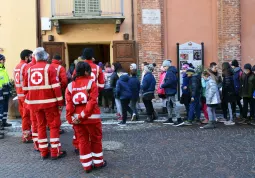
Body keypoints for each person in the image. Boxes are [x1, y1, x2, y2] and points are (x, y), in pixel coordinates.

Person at [23, 47, 66, 160]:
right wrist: (60, 102)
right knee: (53, 126)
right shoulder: (50, 68)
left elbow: (25, 89)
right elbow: (56, 87)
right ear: (46, 57)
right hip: (49, 103)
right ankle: (55, 152)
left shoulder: (30, 69)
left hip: (35, 104)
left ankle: (43, 152)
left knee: (40, 126)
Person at [66, 62, 107, 173]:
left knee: (82, 141)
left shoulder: (70, 85)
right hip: (92, 118)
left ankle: (87, 165)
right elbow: (92, 102)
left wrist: (71, 118)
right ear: (86, 72)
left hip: (78, 120)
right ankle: (98, 163)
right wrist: (82, 115)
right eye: (89, 71)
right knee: (96, 139)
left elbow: (69, 105)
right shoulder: (91, 83)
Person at [14, 50, 33, 143]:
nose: (32, 58)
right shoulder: (25, 66)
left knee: (24, 116)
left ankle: (28, 134)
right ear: (26, 57)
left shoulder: (17, 66)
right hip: (25, 95)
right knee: (27, 116)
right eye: (30, 57)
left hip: (19, 94)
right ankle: (26, 136)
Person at [22, 51, 39, 150]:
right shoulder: (30, 66)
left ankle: (27, 136)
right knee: (35, 120)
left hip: (26, 97)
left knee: (27, 118)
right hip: (32, 97)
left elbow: (23, 83)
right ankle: (34, 139)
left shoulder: (26, 66)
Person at [160, 60, 183, 126]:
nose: (164, 68)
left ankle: (179, 119)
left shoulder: (170, 72)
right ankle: (170, 118)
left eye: (164, 66)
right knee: (169, 105)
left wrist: (162, 85)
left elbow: (170, 82)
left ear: (167, 66)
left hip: (171, 91)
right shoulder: (171, 71)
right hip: (170, 91)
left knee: (174, 105)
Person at [51, 54, 68, 134]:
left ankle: (49, 125)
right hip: (57, 91)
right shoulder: (60, 68)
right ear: (60, 60)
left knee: (49, 110)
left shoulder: (48, 66)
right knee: (58, 111)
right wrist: (61, 88)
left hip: (48, 92)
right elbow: (64, 81)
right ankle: (56, 127)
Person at [0, 54, 11, 133]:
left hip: (6, 90)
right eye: (3, 59)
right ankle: (1, 124)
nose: (4, 61)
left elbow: (6, 79)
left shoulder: (3, 69)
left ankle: (4, 121)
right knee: (1, 107)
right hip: (1, 91)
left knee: (5, 107)